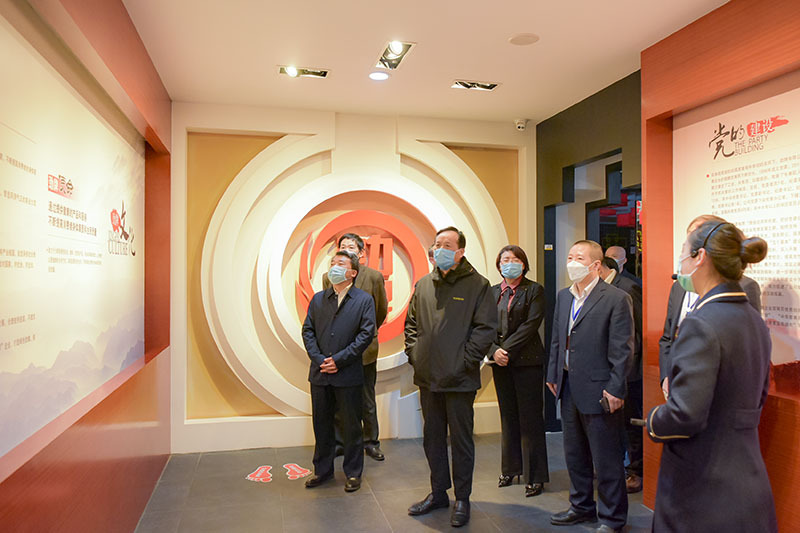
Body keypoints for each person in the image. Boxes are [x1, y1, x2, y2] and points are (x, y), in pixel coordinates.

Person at [645, 220, 776, 532]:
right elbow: (757, 396)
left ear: (700, 257)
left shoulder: (701, 323)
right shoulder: (752, 318)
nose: (681, 263)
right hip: (748, 480)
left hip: (702, 487)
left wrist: (653, 421)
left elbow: (685, 414)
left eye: (683, 253)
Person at [405, 226, 496, 528]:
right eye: (437, 244)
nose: (439, 249)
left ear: (460, 252)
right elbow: (411, 325)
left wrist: (465, 361)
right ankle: (438, 493)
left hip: (460, 379)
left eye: (447, 245)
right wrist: (415, 355)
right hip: (428, 376)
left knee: (461, 441)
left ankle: (463, 498)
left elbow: (485, 329)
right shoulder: (424, 284)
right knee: (432, 439)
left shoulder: (478, 285)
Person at [546, 240, 633, 533]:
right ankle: (581, 506)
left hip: (601, 388)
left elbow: (623, 349)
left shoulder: (616, 298)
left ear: (596, 265)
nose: (572, 262)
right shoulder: (564, 296)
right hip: (568, 385)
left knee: (606, 458)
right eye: (570, 256)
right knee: (575, 453)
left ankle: (612, 517)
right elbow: (557, 339)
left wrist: (616, 388)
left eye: (579, 258)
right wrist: (553, 372)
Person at [658, 214, 761, 399]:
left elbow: (746, 352)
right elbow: (668, 337)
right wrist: (667, 375)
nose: (683, 257)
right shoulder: (679, 286)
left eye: (688, 248)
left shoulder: (743, 289)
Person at [302, 251, 376, 493]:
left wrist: (339, 360)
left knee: (352, 426)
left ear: (352, 272)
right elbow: (308, 331)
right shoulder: (318, 299)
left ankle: (353, 473)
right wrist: (320, 359)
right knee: (322, 425)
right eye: (332, 262)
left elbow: (365, 335)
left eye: (340, 263)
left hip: (348, 373)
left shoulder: (364, 300)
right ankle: (322, 470)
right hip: (320, 373)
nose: (334, 266)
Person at [487, 245, 549, 498]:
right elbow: (483, 325)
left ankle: (535, 476)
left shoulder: (534, 290)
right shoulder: (492, 292)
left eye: (514, 259)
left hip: (527, 362)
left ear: (523, 264)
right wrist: (493, 351)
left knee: (530, 419)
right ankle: (510, 469)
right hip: (500, 363)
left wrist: (505, 349)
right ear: (498, 265)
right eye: (504, 259)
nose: (509, 263)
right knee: (508, 416)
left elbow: (531, 325)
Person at [323, 233, 389, 461]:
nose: (346, 250)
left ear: (361, 253)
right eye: (342, 246)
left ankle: (370, 442)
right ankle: (340, 442)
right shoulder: (328, 277)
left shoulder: (374, 277)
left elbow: (380, 311)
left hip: (364, 350)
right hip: (338, 350)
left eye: (351, 247)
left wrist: (364, 333)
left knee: (366, 398)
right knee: (339, 398)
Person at [599, 257, 644, 493]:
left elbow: (637, 330)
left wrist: (629, 367)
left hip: (629, 369)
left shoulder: (628, 287)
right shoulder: (596, 290)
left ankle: (635, 471)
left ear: (599, 266)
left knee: (631, 423)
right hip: (605, 368)